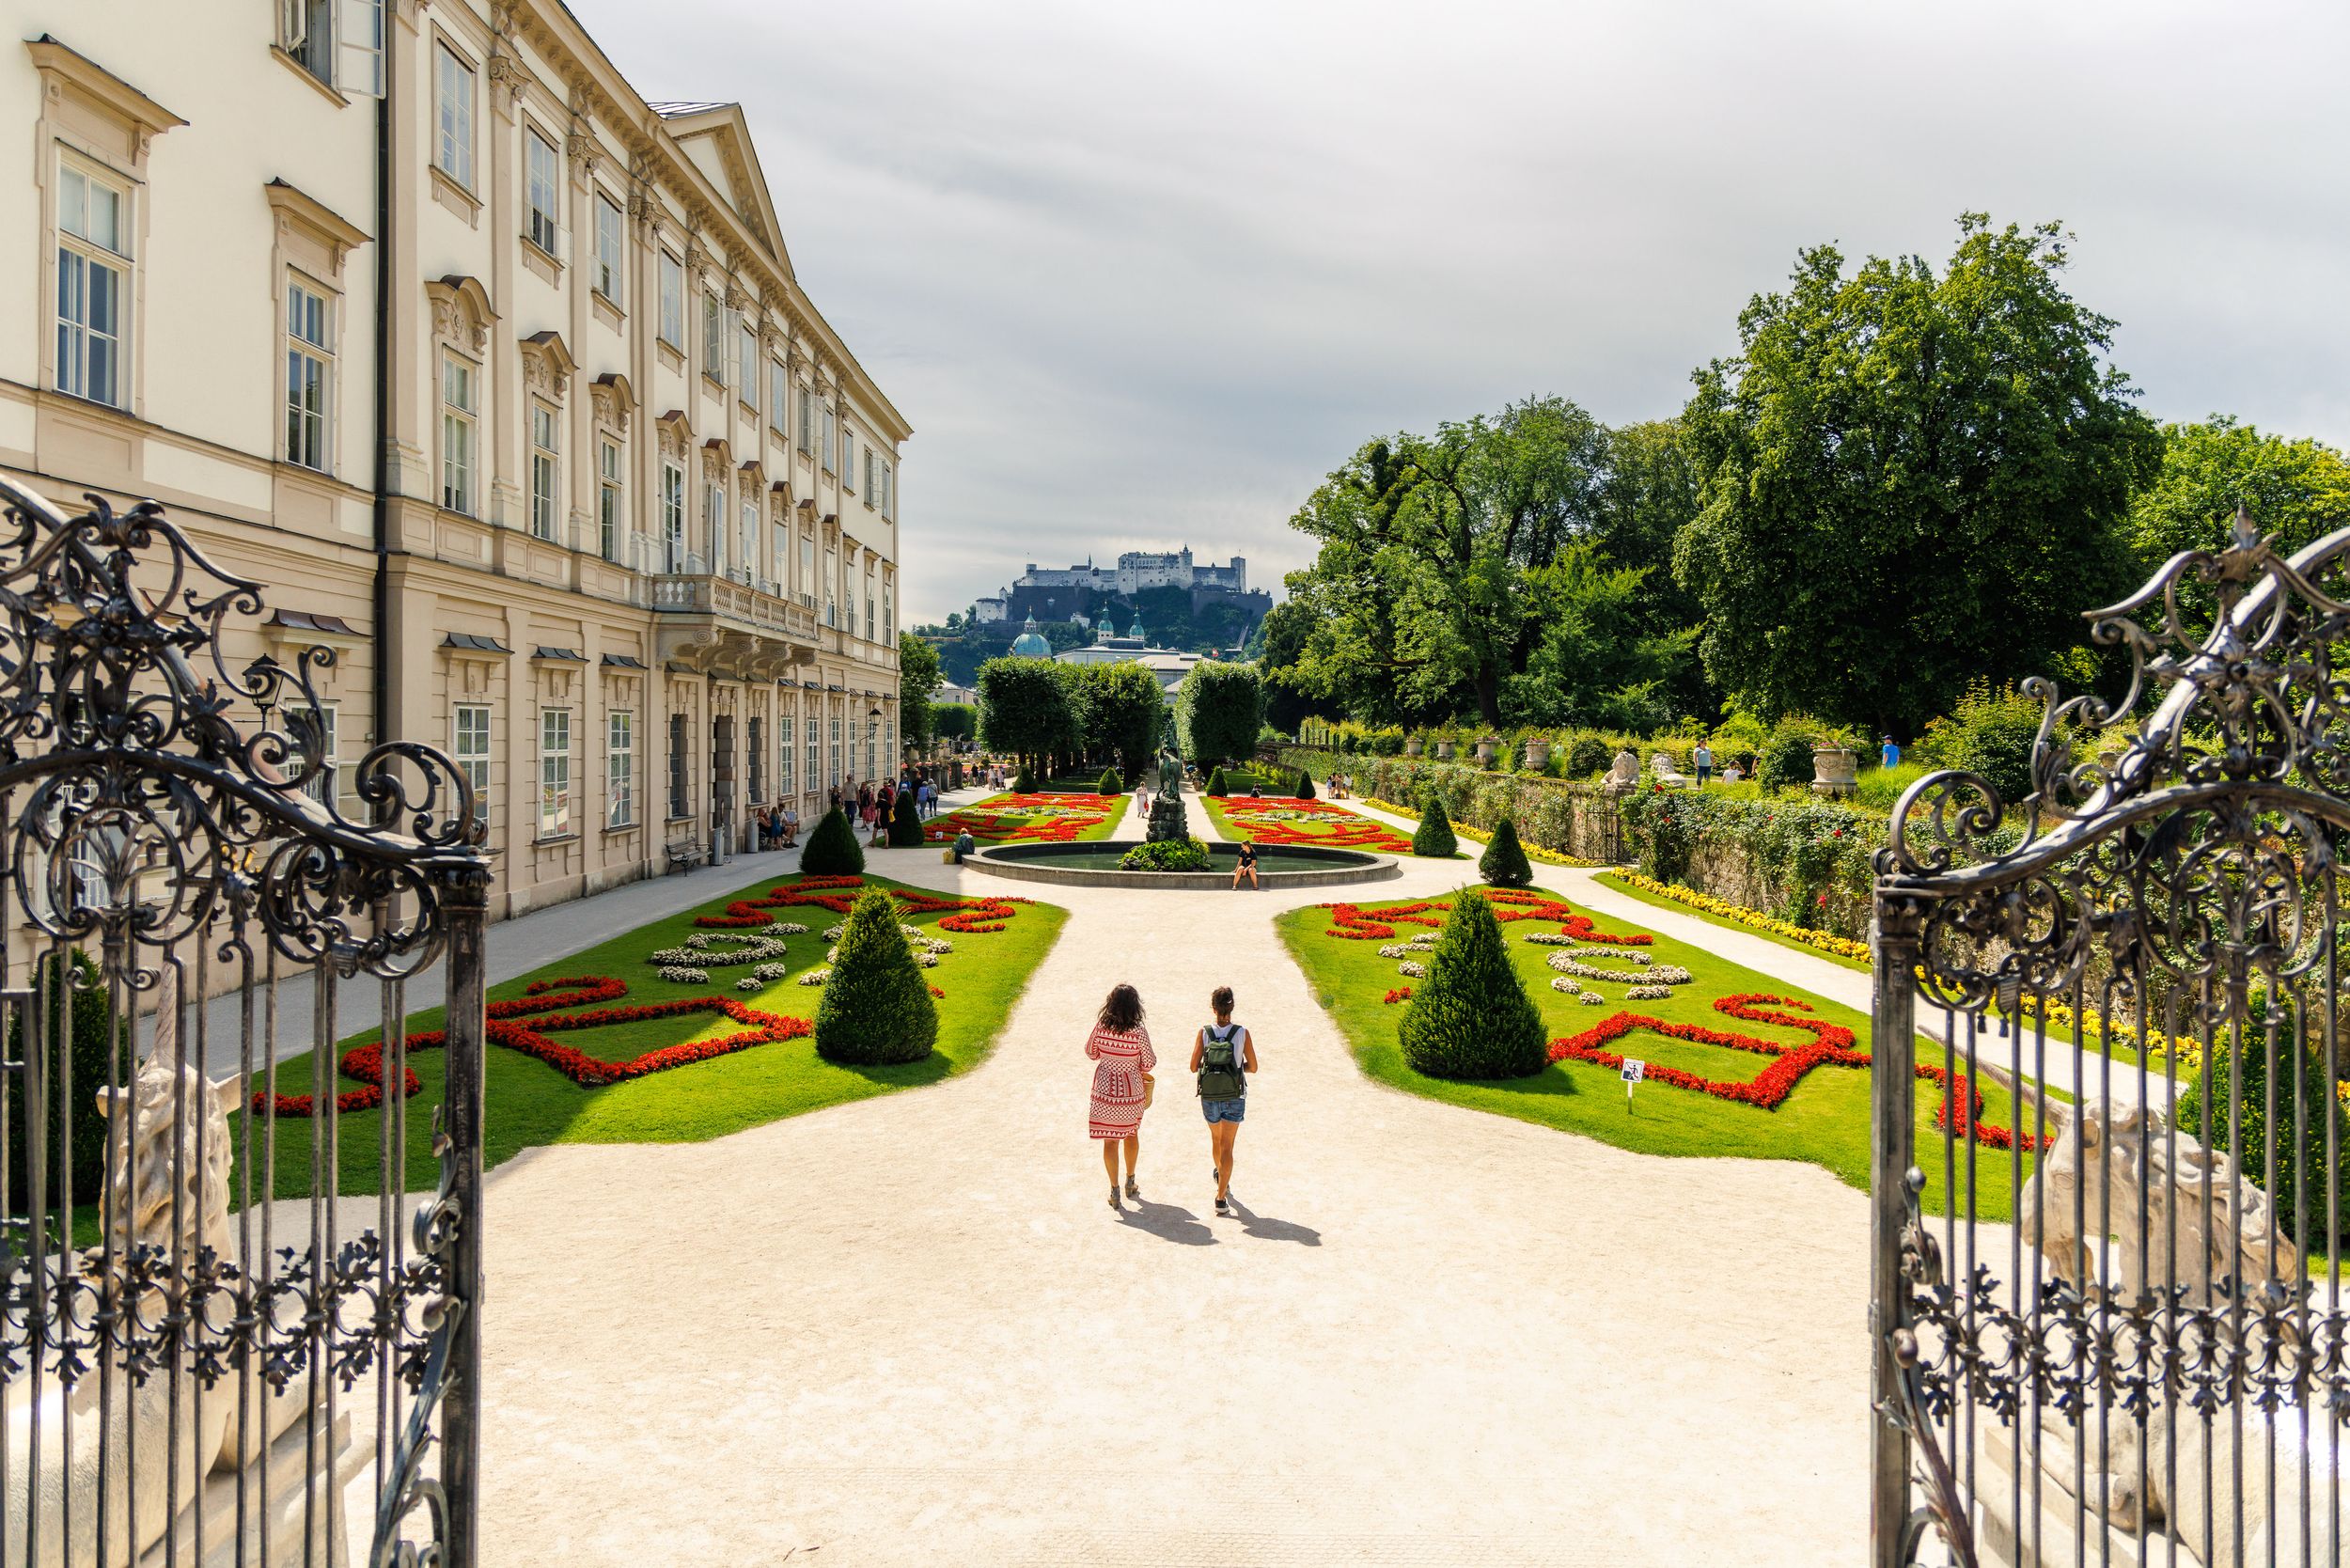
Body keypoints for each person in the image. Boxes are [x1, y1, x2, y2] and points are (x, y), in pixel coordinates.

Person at [1086, 983, 1154, 1209]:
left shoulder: (1102, 1027)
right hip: (1130, 1091)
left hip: (1104, 1091)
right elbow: (1149, 1063)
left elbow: (1090, 1052)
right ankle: (1130, 1181)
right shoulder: (1138, 1031)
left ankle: (1114, 1189)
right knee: (1131, 1134)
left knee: (1110, 1140)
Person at [1190, 986, 1257, 1215]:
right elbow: (1254, 1067)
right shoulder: (1242, 1032)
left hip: (1210, 1095)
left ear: (1213, 1008)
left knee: (1216, 1140)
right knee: (1228, 1146)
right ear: (1232, 1007)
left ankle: (1221, 1176)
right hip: (1234, 1095)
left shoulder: (1204, 1032)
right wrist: (1237, 1070)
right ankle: (1220, 1197)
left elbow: (1192, 1066)